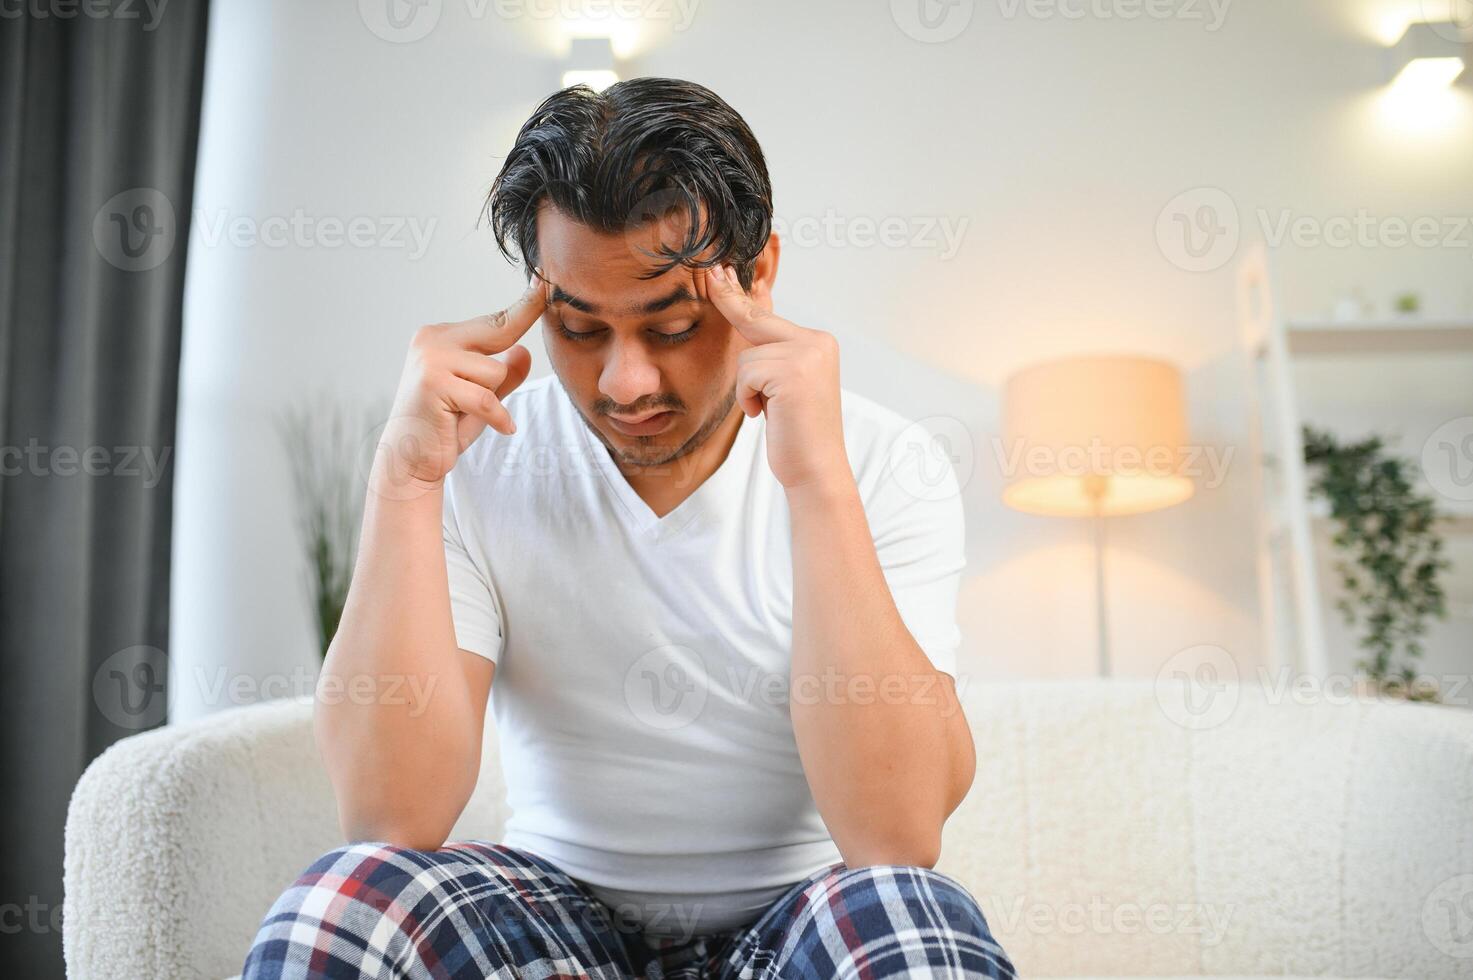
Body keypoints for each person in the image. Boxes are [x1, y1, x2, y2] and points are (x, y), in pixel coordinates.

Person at [243, 77, 1017, 979]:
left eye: (674, 325)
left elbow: (896, 835)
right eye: (577, 328)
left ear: (757, 275)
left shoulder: (886, 464)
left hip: (798, 916)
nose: (625, 384)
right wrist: (404, 480)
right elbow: (389, 821)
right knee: (346, 904)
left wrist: (816, 483)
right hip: (554, 915)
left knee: (911, 922)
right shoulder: (476, 457)